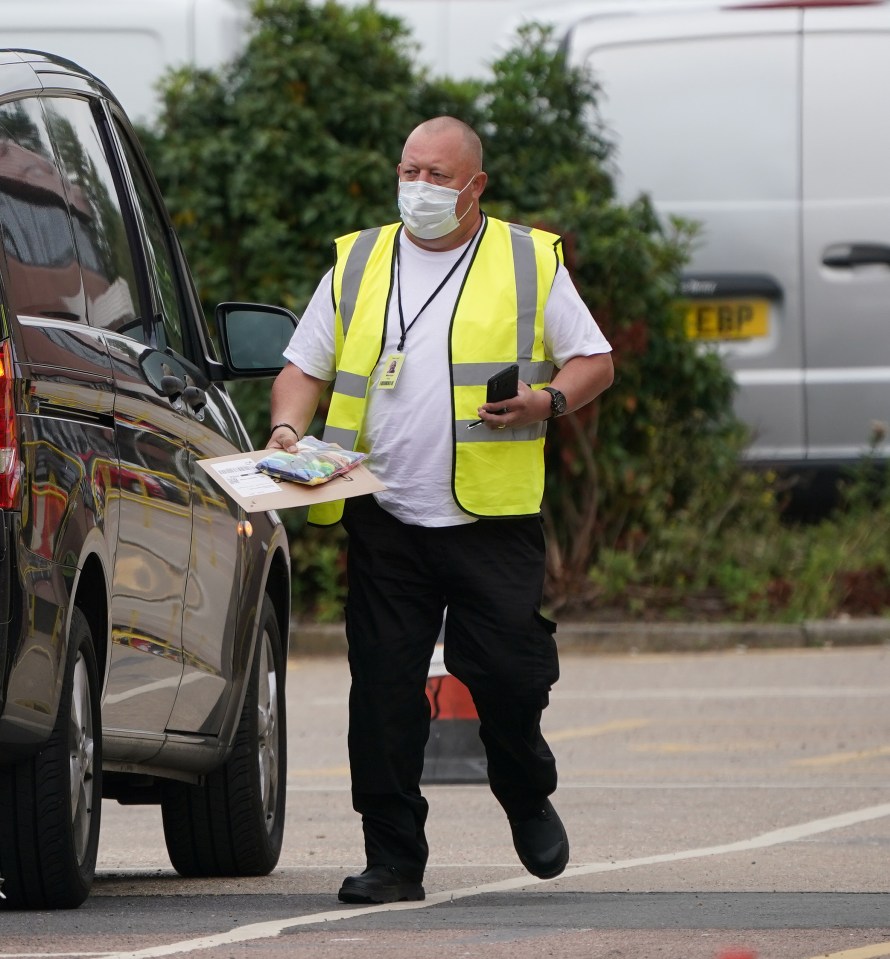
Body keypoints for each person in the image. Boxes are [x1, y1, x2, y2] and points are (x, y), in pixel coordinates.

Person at [268, 115, 614, 905]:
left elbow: (594, 358)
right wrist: (289, 427)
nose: (418, 189)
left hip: (491, 517)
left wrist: (547, 399)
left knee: (507, 675)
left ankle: (525, 790)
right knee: (383, 694)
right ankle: (393, 859)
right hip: (384, 512)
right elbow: (302, 367)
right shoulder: (358, 261)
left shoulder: (527, 259)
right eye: (408, 171)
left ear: (475, 188)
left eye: (437, 176)